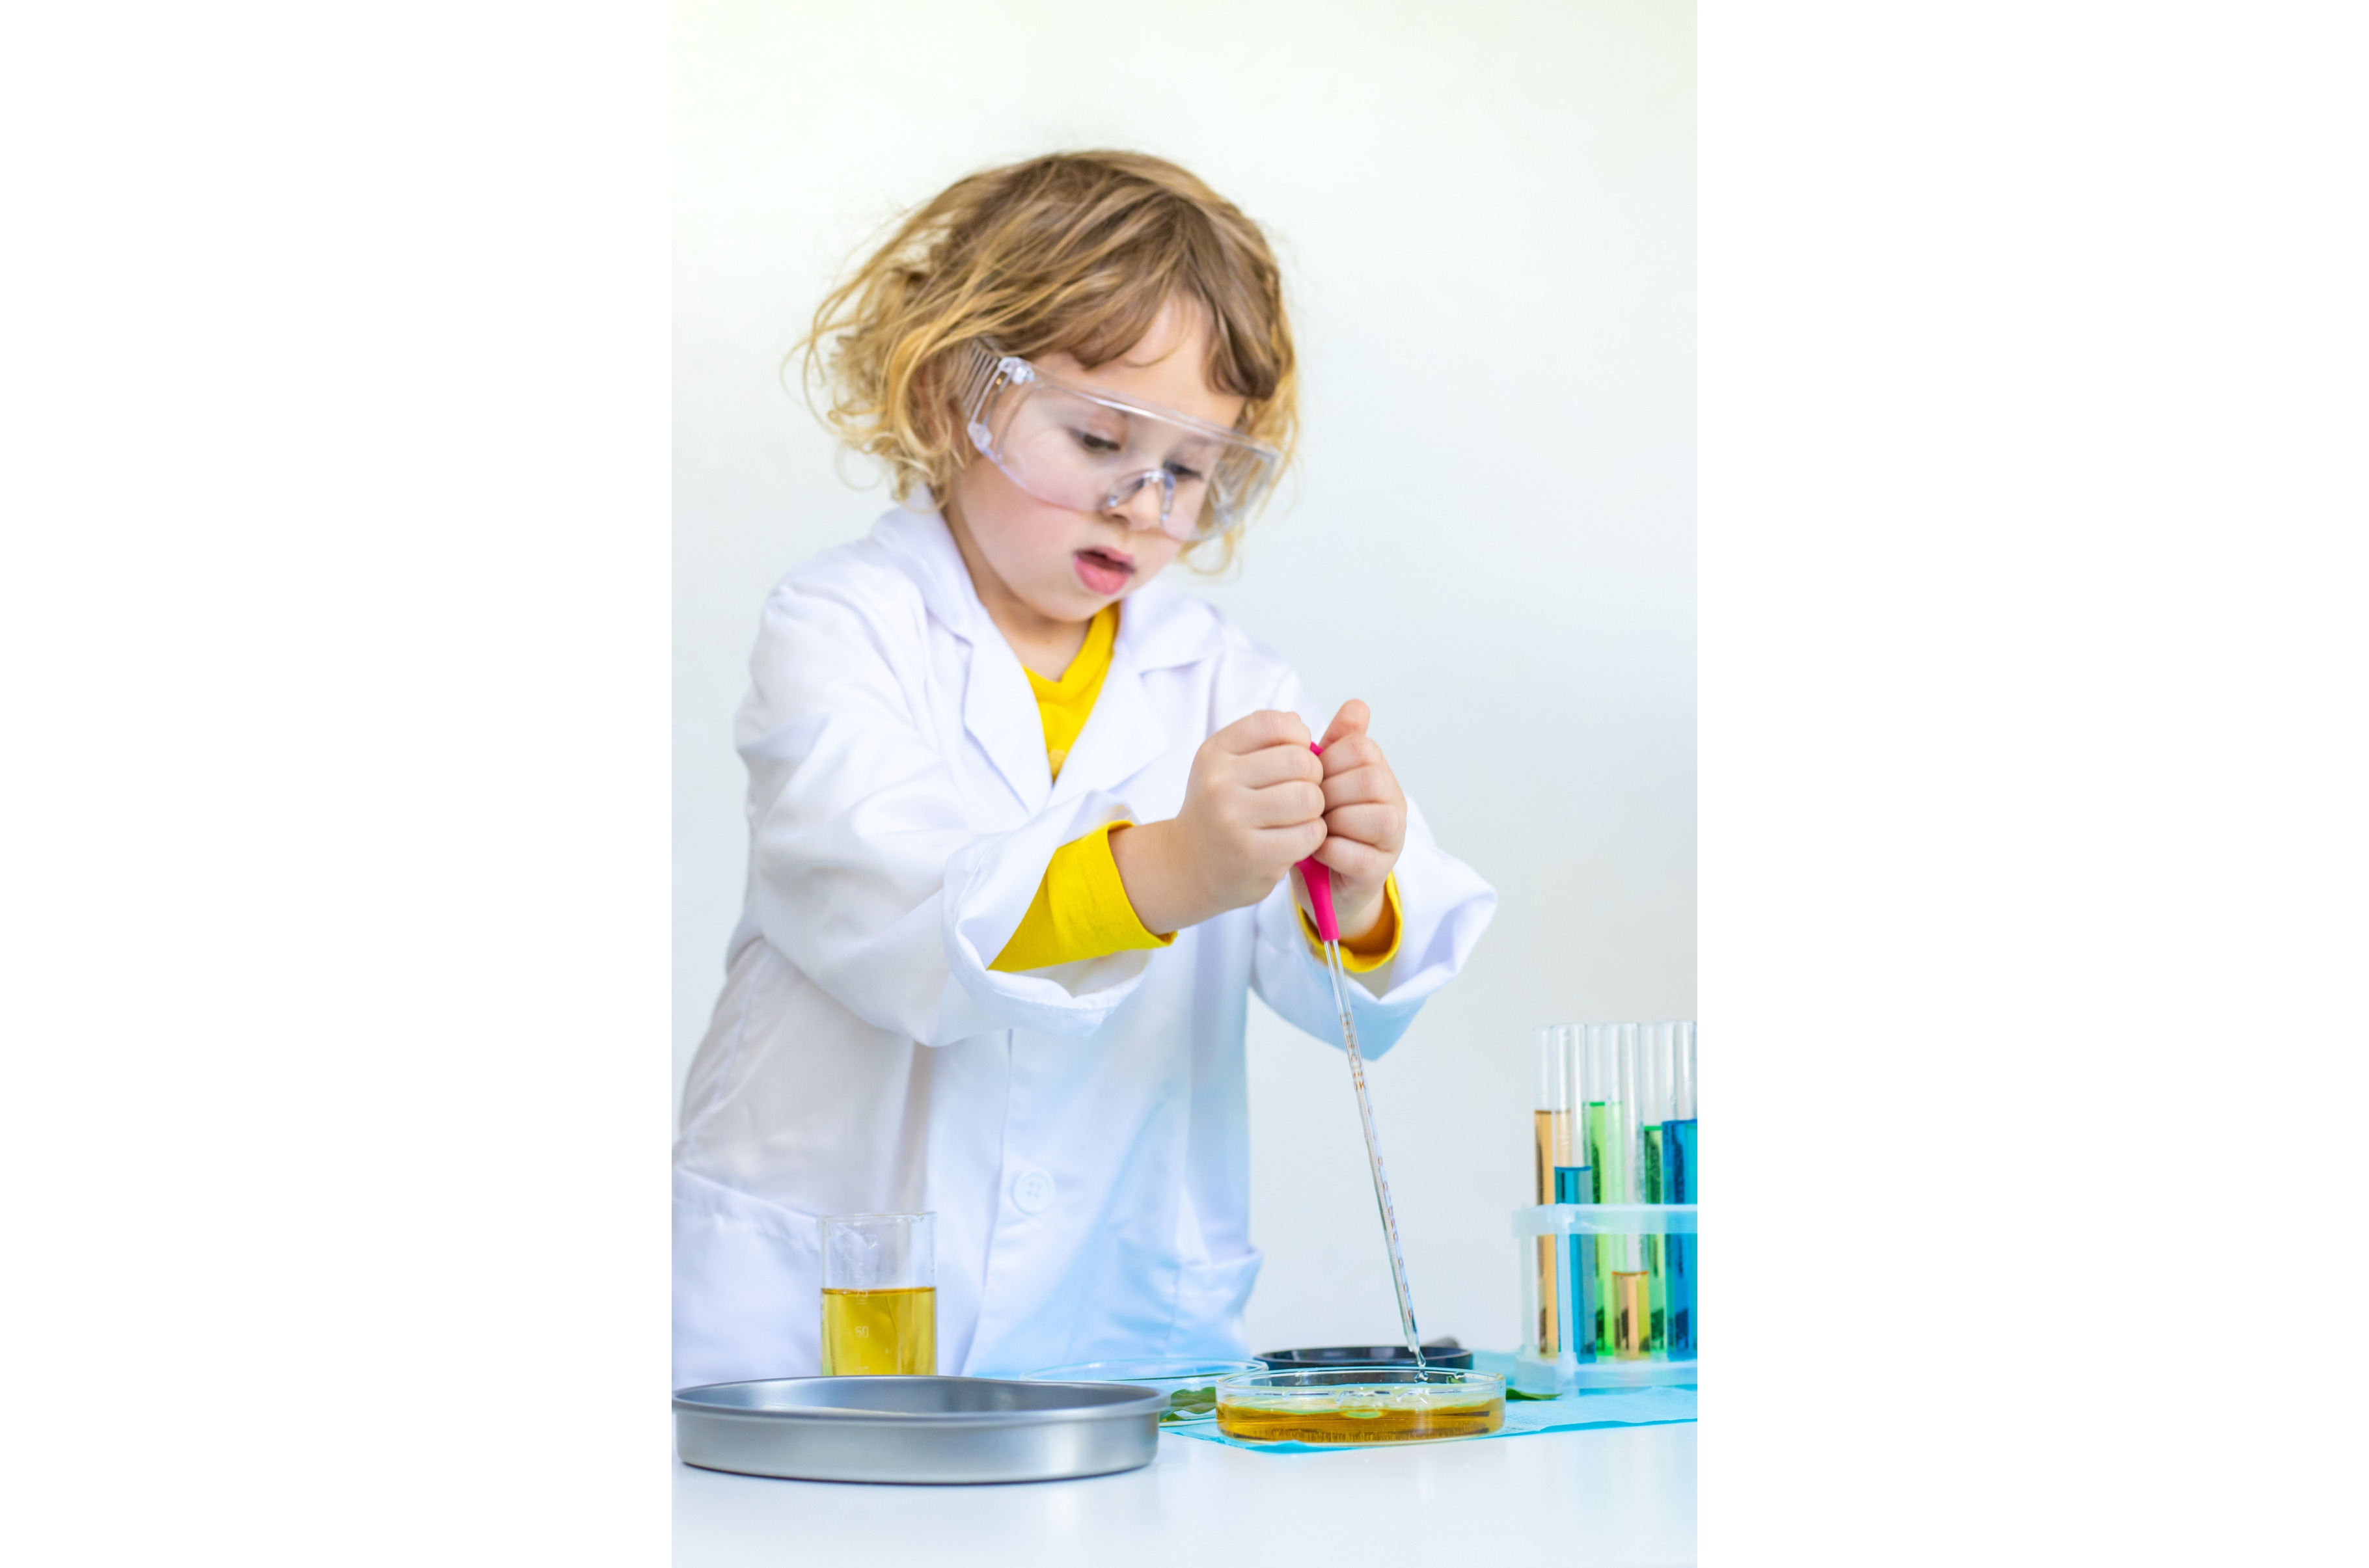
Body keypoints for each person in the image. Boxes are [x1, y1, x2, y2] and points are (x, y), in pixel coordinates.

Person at [673, 151, 1495, 1388]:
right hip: (822, 1327)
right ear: (955, 394)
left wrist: (1363, 881)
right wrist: (1173, 869)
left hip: (1115, 1335)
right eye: (1101, 437)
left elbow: (1350, 984)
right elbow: (901, 913)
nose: (1142, 503)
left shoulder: (1229, 680)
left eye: (1191, 469)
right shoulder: (840, 629)